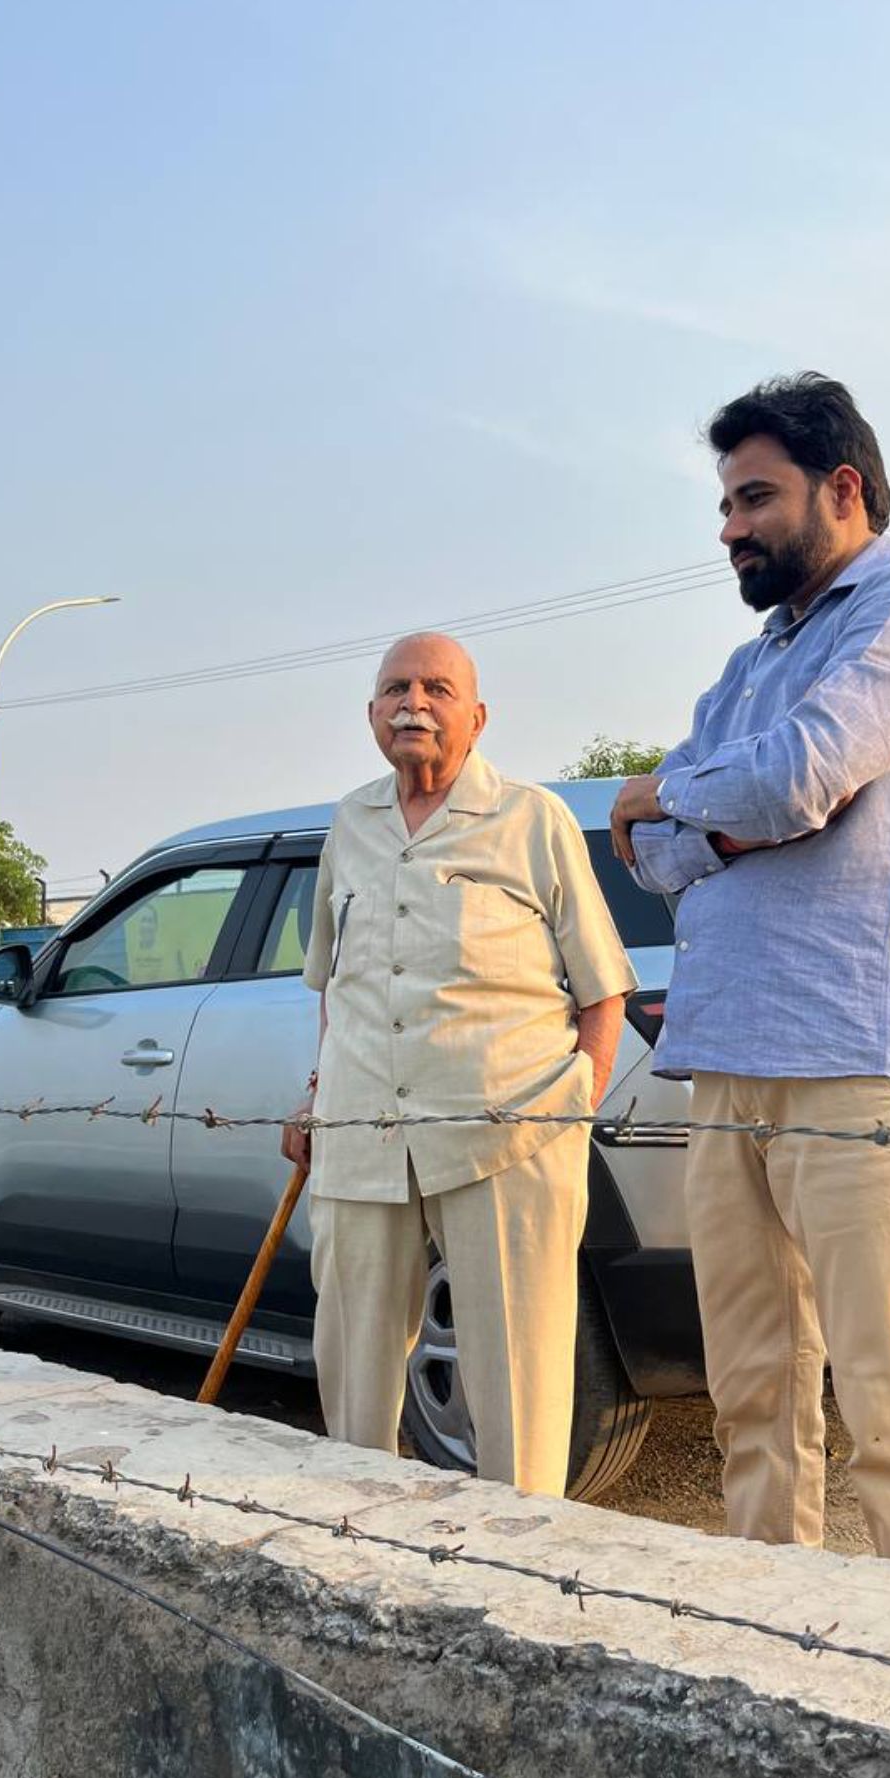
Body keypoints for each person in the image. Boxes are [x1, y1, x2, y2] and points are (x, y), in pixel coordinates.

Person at [610, 374, 890, 1570]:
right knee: (753, 1400)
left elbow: (794, 779)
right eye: (726, 504)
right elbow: (654, 856)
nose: (730, 527)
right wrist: (723, 820)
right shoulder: (748, 667)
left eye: (755, 498)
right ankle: (774, 1642)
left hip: (852, 1058)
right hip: (728, 1059)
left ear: (842, 489)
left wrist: (682, 799)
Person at [282, 631, 634, 1497]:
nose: (414, 703)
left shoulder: (532, 819)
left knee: (519, 1376)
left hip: (506, 1138)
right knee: (352, 1374)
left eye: (437, 688)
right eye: (396, 687)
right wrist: (320, 1092)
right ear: (371, 713)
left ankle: (520, 1551)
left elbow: (603, 992)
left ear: (478, 716)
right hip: (362, 1133)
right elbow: (335, 981)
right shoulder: (349, 824)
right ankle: (357, 1537)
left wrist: (570, 1113)